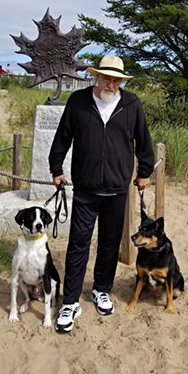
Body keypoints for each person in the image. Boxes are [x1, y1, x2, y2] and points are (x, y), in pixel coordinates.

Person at [49, 55, 155, 333]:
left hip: (118, 188)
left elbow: (143, 140)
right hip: (85, 188)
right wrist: (56, 168)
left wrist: (144, 172)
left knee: (109, 244)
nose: (112, 83)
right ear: (96, 77)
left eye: (117, 79)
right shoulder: (78, 102)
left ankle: (101, 289)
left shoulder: (131, 103)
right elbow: (63, 136)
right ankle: (70, 301)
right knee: (78, 244)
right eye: (107, 78)